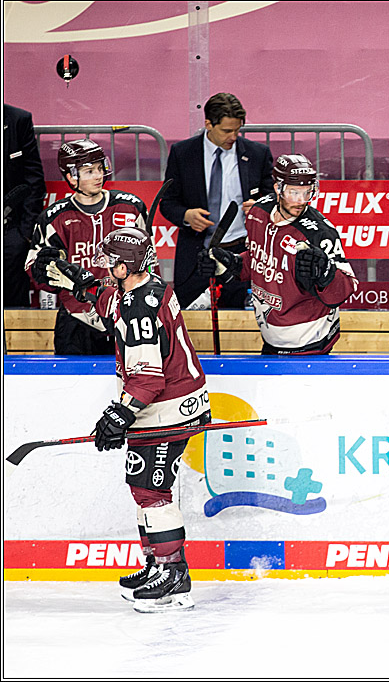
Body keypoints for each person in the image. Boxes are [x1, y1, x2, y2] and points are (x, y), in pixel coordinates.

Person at [40, 226, 210, 613]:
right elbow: (110, 304)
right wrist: (84, 285)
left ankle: (173, 574)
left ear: (125, 265)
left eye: (109, 261)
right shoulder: (142, 289)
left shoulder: (139, 310)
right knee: (143, 486)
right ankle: (157, 564)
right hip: (165, 405)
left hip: (167, 408)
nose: (102, 265)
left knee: (152, 490)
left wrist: (119, 414)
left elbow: (148, 378)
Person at [201, 154, 359, 355]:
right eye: (294, 192)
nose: (301, 201)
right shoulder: (258, 213)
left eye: (307, 192)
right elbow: (260, 259)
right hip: (271, 340)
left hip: (310, 343)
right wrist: (233, 264)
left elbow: (347, 287)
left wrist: (326, 273)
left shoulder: (319, 233)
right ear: (278, 188)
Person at [24, 139, 148, 355]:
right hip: (76, 320)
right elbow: (35, 268)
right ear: (71, 176)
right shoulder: (54, 219)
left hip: (127, 315)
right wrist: (43, 271)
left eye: (100, 168)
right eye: (89, 171)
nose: (99, 175)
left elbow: (149, 264)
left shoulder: (131, 208)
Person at [160, 92, 274, 310]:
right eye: (227, 131)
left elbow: (271, 201)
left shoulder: (257, 154)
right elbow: (168, 202)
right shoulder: (183, 153)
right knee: (188, 325)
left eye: (238, 130)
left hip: (240, 255)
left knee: (239, 326)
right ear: (208, 124)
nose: (233, 136)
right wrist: (186, 216)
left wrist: (261, 208)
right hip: (195, 256)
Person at [3, 103, 46, 308]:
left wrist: (26, 234)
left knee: (14, 308)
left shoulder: (17, 119)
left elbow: (33, 181)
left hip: (10, 230)